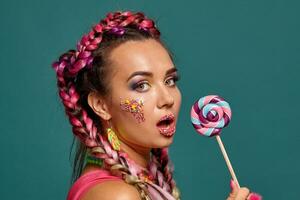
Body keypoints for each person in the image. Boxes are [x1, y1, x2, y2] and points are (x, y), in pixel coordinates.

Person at [52, 11, 255, 200]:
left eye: (170, 81)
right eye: (141, 85)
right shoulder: (117, 195)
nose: (167, 99)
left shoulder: (142, 180)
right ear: (101, 105)